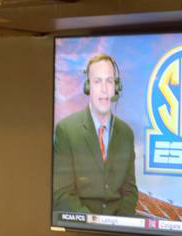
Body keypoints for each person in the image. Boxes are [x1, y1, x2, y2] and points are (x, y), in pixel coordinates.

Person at [53, 54, 138, 216]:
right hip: (81, 230)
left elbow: (130, 193)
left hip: (119, 232)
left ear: (116, 87)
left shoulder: (126, 133)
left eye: (109, 81)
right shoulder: (66, 130)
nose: (104, 89)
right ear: (88, 87)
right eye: (97, 81)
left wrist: (118, 227)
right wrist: (93, 224)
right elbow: (62, 194)